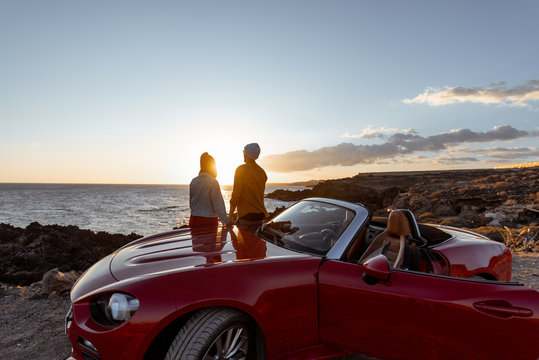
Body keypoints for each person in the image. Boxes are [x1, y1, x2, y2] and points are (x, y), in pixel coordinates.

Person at [189, 152, 230, 231]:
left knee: (196, 243)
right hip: (208, 221)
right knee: (209, 243)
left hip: (194, 219)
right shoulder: (213, 182)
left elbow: (191, 204)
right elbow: (218, 205)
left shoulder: (193, 181)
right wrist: (226, 221)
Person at [228, 143, 268, 223]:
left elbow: (236, 194)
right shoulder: (262, 172)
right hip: (261, 215)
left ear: (246, 154)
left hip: (246, 215)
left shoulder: (241, 170)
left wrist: (231, 214)